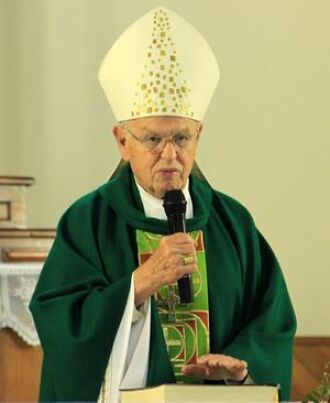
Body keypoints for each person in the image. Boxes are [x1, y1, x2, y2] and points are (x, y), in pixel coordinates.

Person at [30, 6, 296, 402]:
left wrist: (242, 369)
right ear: (122, 141)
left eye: (182, 139)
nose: (170, 156)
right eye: (153, 140)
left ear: (199, 135)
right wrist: (137, 287)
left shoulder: (233, 223)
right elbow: (61, 325)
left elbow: (272, 322)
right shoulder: (88, 222)